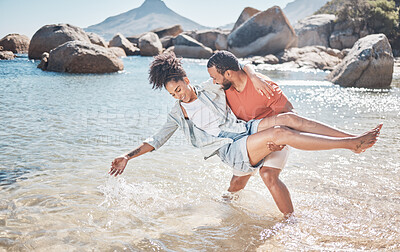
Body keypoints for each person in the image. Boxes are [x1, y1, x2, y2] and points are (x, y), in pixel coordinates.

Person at [109, 53, 381, 216]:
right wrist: (127, 156)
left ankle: (352, 136)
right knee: (281, 133)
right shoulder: (177, 114)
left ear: (185, 80)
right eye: (172, 94)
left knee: (288, 119)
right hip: (231, 150)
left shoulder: (211, 87)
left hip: (245, 131)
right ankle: (348, 145)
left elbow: (233, 69)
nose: (178, 96)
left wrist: (254, 74)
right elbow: (155, 141)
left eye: (178, 89)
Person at [206, 51, 358, 215]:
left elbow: (290, 115)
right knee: (237, 182)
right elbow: (240, 67)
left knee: (268, 175)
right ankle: (225, 211)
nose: (214, 81)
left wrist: (282, 141)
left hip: (277, 134)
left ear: (228, 73)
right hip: (249, 138)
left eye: (215, 77)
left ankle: (290, 220)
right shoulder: (225, 88)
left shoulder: (263, 86)